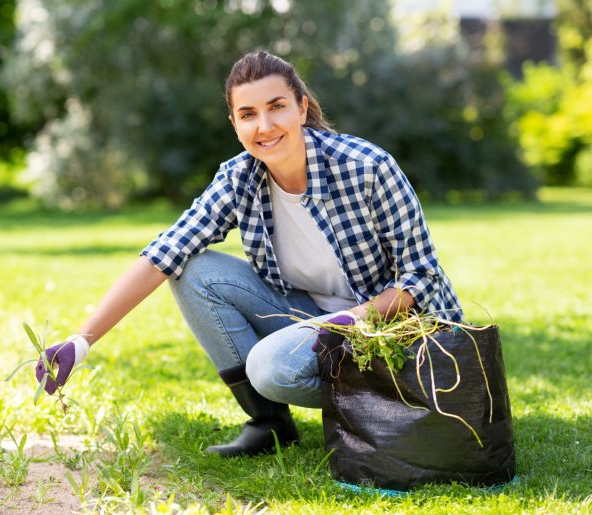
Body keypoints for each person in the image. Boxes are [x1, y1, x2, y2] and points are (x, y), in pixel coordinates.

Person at [35, 50, 463, 458]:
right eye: (248, 114)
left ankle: (386, 406)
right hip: (312, 315)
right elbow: (164, 253)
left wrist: (345, 323)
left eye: (276, 106)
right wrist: (81, 341)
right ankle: (269, 424)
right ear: (235, 125)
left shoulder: (366, 166)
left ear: (301, 107)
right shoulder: (239, 177)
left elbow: (418, 279)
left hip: (396, 332)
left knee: (271, 367)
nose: (265, 125)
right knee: (193, 270)